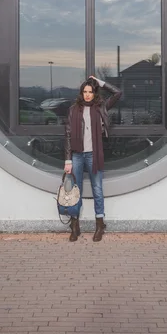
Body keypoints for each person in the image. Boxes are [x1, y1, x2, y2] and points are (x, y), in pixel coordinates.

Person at [64, 75, 122, 242]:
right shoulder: (73, 110)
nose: (87, 94)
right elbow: (67, 135)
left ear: (94, 93)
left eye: (90, 91)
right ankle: (75, 226)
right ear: (81, 93)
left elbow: (118, 93)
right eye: (85, 91)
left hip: (94, 154)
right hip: (76, 154)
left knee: (97, 189)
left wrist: (100, 82)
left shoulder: (101, 107)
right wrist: (68, 160)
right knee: (76, 191)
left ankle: (100, 225)